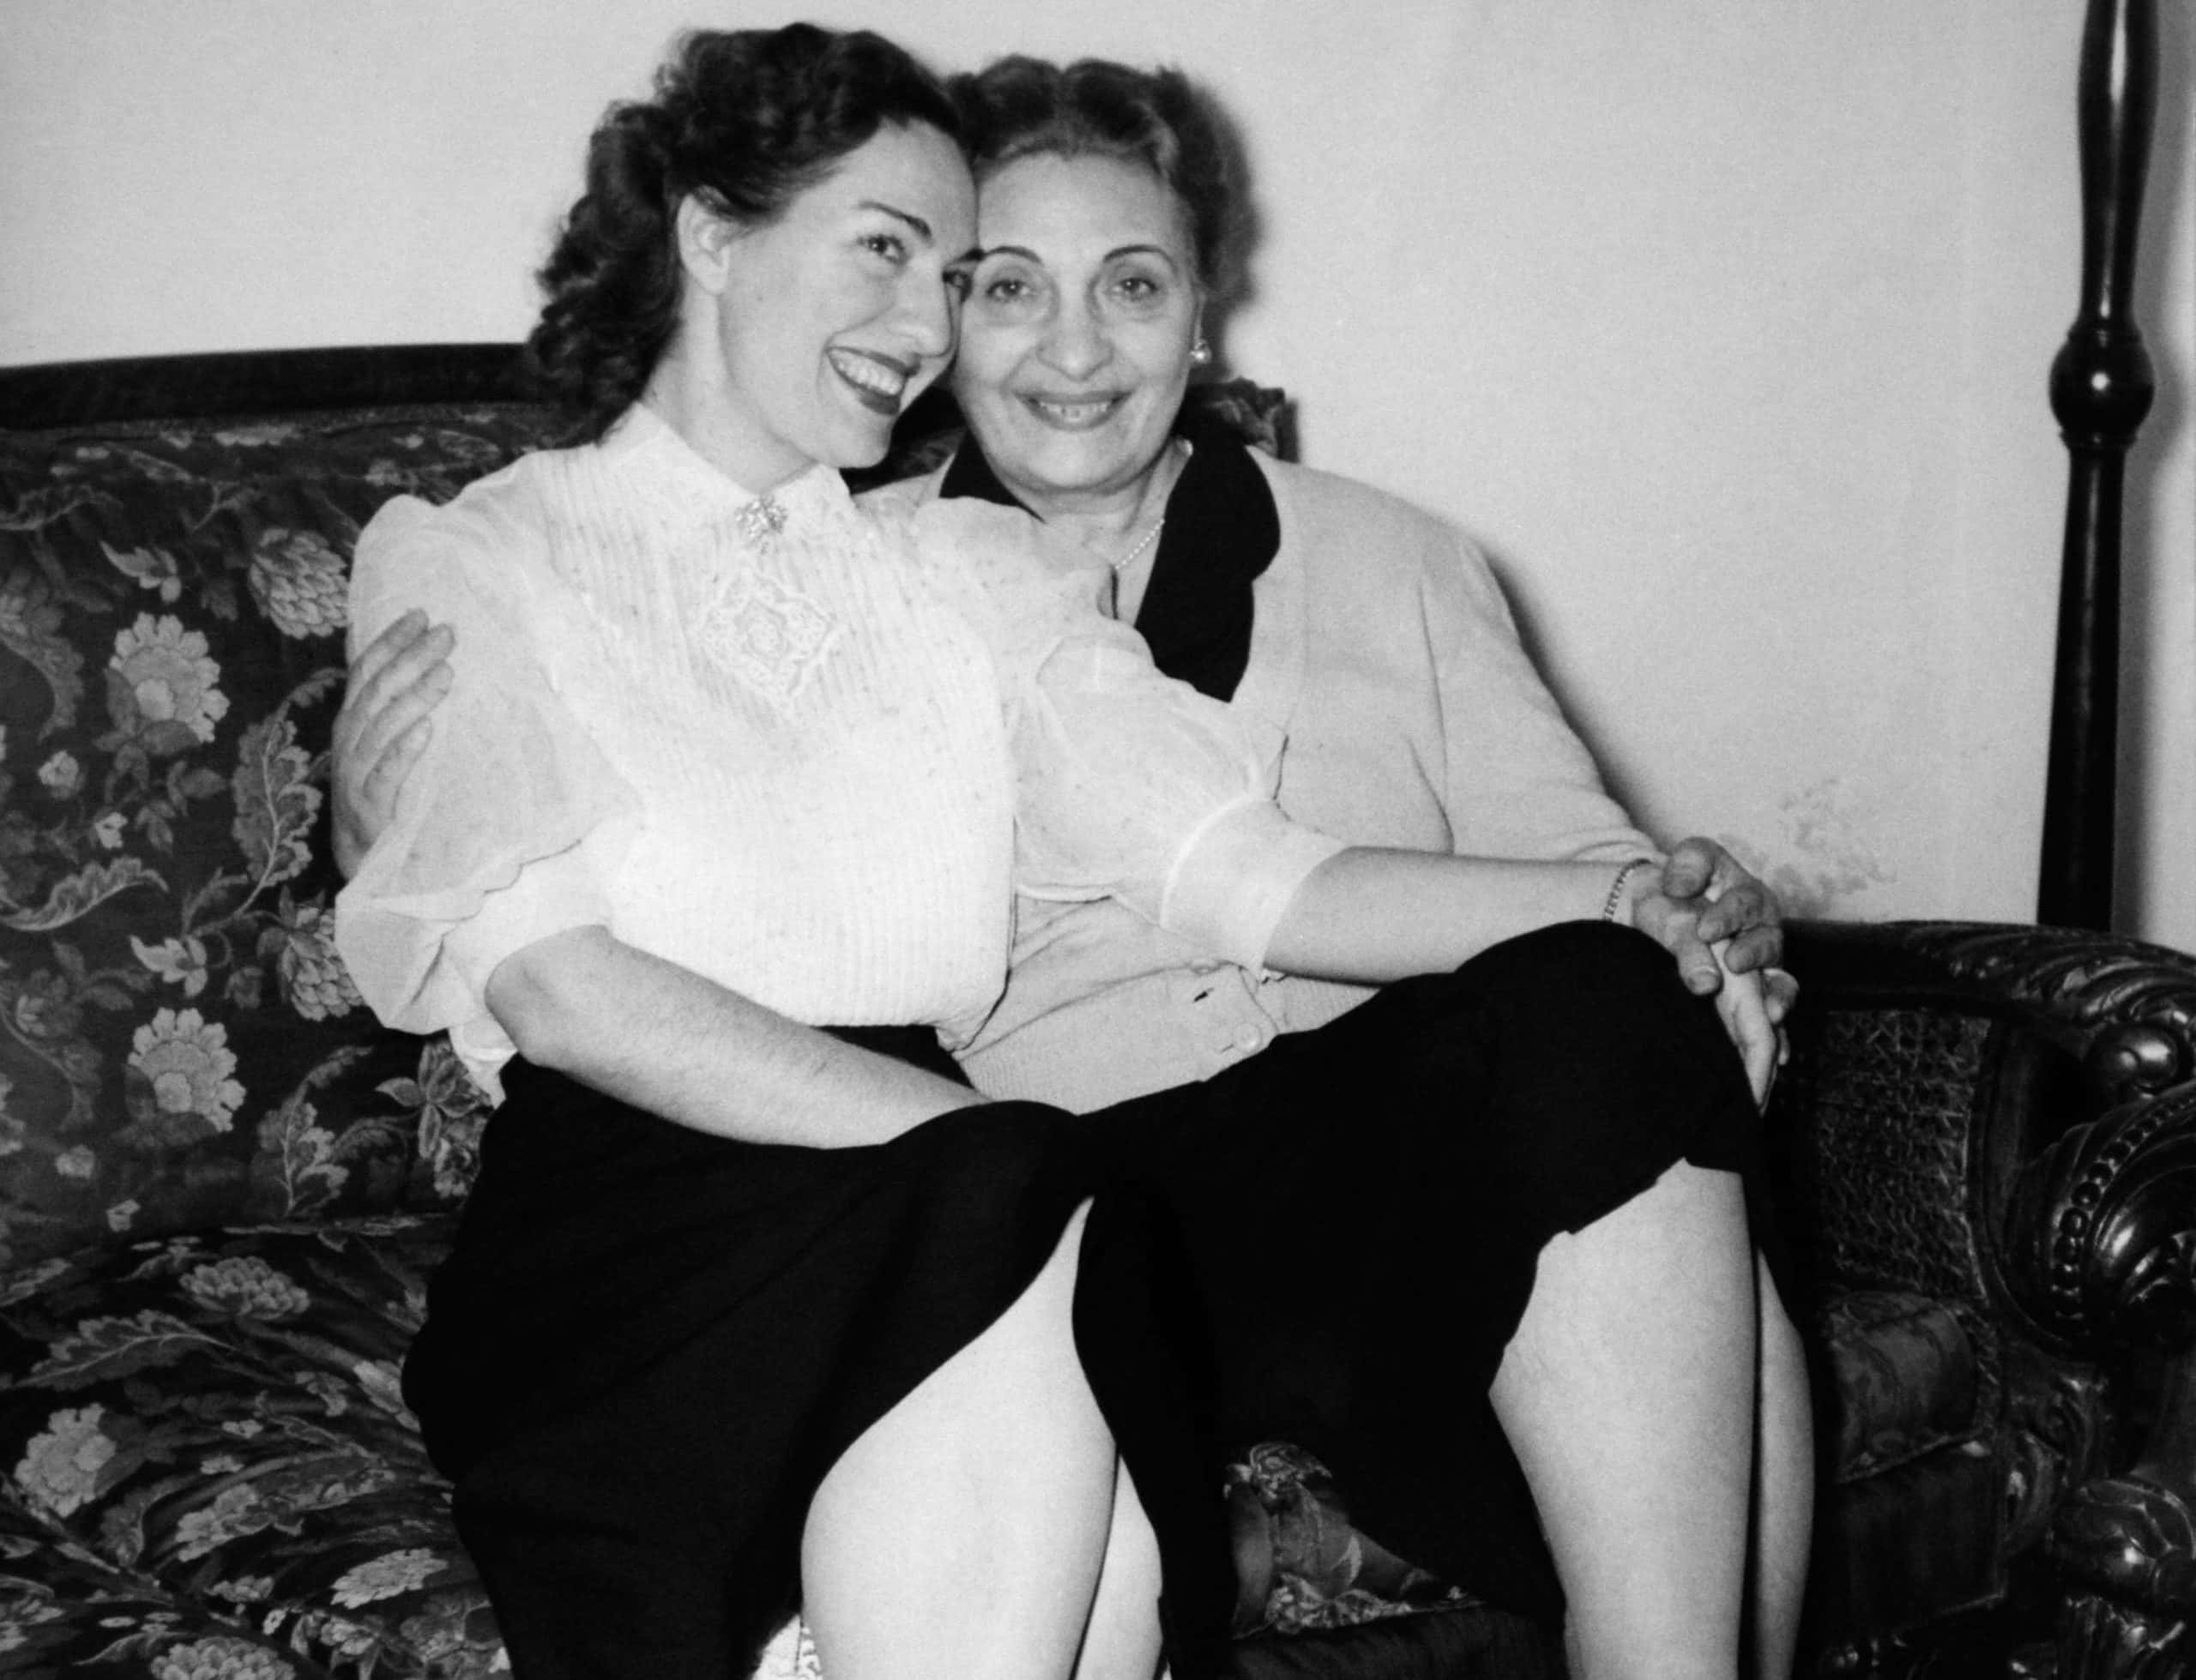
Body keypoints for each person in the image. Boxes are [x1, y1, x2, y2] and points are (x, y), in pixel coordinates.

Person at [335, 26, 1802, 1680]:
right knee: (1030, 1235)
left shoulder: (963, 574)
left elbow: (1247, 877)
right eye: (897, 254)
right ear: (711, 231)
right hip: (668, 1211)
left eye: (943, 274)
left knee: (1586, 1012)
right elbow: (555, 989)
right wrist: (1024, 1157)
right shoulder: (470, 554)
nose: (920, 326)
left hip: (973, 1198)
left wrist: (1631, 905)